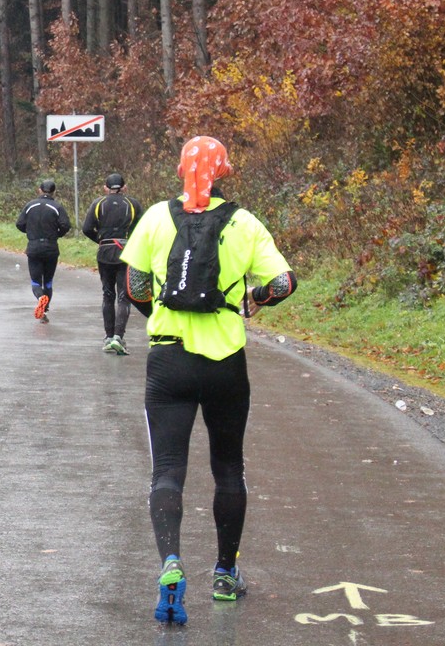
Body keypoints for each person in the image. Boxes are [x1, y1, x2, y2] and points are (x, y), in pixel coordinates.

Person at [120, 136, 297, 625]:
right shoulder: (244, 222)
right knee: (228, 468)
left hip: (168, 360)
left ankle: (171, 563)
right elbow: (284, 282)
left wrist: (157, 315)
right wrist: (253, 298)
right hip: (226, 365)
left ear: (181, 170)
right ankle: (224, 574)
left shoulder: (156, 217)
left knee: (167, 470)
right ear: (223, 173)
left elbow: (134, 284)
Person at [81, 172, 143, 354]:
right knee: (124, 296)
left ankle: (108, 337)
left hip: (105, 252)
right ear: (124, 187)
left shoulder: (98, 203)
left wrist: (101, 240)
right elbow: (142, 228)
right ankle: (118, 337)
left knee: (108, 294)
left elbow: (86, 228)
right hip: (126, 252)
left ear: (105, 188)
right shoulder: (133, 204)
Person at [16, 179, 70, 321]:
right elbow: (66, 225)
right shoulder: (57, 206)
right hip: (51, 247)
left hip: (33, 246)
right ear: (54, 192)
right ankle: (44, 312)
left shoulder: (30, 205)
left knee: (35, 281)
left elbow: (19, 224)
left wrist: (30, 231)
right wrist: (57, 234)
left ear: (39, 190)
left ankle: (40, 298)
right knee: (48, 282)